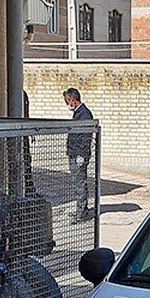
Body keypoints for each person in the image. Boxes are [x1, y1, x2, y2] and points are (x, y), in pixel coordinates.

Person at [64, 87, 95, 216]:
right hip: (75, 152)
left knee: (79, 182)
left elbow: (85, 136)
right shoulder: (79, 113)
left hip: (78, 154)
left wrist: (81, 155)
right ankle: (81, 208)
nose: (67, 104)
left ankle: (81, 211)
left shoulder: (84, 114)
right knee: (78, 182)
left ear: (73, 100)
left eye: (67, 101)